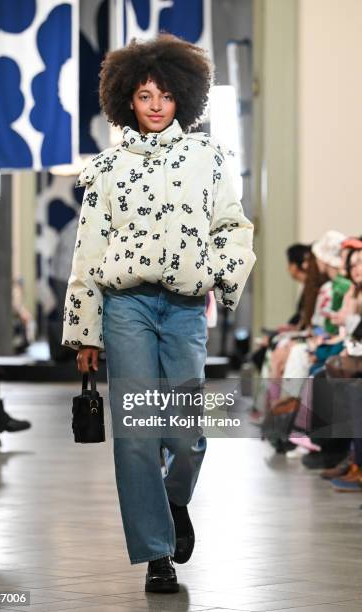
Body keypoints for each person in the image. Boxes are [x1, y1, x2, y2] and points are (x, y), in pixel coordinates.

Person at [62, 34, 256, 593]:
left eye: (165, 95)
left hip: (185, 305)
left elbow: (233, 227)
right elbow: (88, 252)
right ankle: (156, 555)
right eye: (144, 94)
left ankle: (173, 502)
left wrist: (218, 273)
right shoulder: (106, 169)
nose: (153, 105)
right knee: (138, 435)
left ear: (183, 100)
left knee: (188, 429)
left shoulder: (208, 156)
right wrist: (85, 333)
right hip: (126, 304)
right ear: (127, 98)